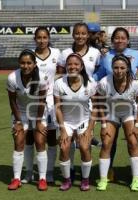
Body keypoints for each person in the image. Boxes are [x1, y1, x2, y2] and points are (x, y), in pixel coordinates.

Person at [93, 27, 138, 182]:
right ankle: (108, 171)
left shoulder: (137, 55)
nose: (120, 40)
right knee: (109, 141)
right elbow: (100, 74)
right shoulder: (106, 56)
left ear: (128, 40)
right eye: (116, 37)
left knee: (132, 141)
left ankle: (135, 176)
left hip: (129, 101)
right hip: (112, 102)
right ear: (112, 40)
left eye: (123, 38)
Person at [57, 22, 101, 181]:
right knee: (67, 143)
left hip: (85, 100)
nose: (80, 36)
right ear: (73, 35)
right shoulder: (65, 53)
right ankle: (71, 170)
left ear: (88, 35)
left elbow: (97, 73)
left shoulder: (95, 53)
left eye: (83, 33)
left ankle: (85, 176)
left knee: (83, 143)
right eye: (77, 33)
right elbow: (60, 75)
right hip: (68, 100)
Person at [22, 26, 61, 184]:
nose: (42, 40)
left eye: (45, 37)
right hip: (32, 101)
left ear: (49, 38)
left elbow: (64, 71)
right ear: (35, 39)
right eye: (39, 37)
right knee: (29, 138)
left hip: (51, 100)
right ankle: (29, 172)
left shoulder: (57, 53)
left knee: (50, 138)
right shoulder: (30, 55)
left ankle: (49, 172)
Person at [54, 53, 98, 191]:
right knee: (64, 147)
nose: (72, 67)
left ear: (81, 66)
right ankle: (67, 179)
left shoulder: (90, 83)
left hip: (83, 120)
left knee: (84, 147)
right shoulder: (59, 83)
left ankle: (85, 180)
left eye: (76, 64)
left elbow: (96, 107)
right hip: (65, 122)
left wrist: (89, 130)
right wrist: (62, 130)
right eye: (69, 64)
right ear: (66, 66)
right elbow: (58, 108)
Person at [7, 49, 48, 191]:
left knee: (40, 141)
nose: (26, 66)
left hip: (39, 112)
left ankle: (42, 179)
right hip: (21, 113)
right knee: (19, 141)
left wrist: (38, 123)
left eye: (29, 63)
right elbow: (12, 102)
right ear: (19, 63)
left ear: (35, 64)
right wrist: (18, 122)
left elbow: (42, 101)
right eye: (23, 63)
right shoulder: (12, 77)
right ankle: (17, 178)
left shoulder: (42, 77)